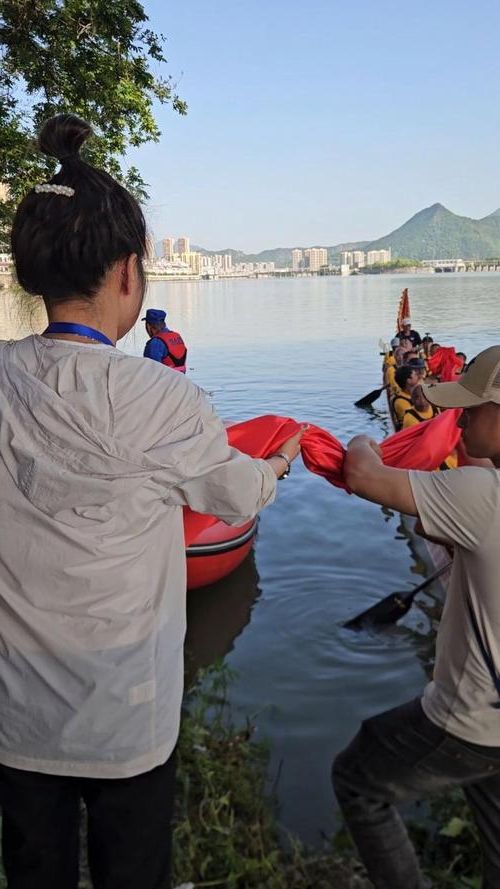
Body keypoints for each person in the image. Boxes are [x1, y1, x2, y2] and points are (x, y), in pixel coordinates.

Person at [3, 112, 305, 889]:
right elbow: (238, 492)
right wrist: (278, 464)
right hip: (127, 723)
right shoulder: (162, 398)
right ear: (130, 273)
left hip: (14, 719)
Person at [333, 345, 500, 889]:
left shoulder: (481, 496)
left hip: (472, 718)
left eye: (472, 410)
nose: (461, 418)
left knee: (358, 778)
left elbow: (362, 474)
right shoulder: (478, 498)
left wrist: (367, 441)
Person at [143, 307, 187, 373]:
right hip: (181, 380)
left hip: (165, 381)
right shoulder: (177, 336)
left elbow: (151, 371)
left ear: (149, 326)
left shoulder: (154, 343)